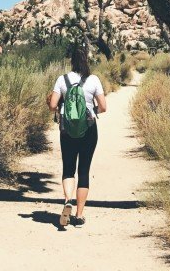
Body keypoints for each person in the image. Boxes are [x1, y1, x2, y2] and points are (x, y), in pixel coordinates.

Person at [46, 44, 107, 228]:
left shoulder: (62, 79)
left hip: (67, 130)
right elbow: (103, 107)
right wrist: (91, 111)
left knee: (68, 168)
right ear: (86, 59)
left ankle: (67, 201)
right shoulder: (94, 79)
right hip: (89, 129)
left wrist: (61, 108)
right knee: (84, 171)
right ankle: (79, 216)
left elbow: (52, 105)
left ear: (71, 61)